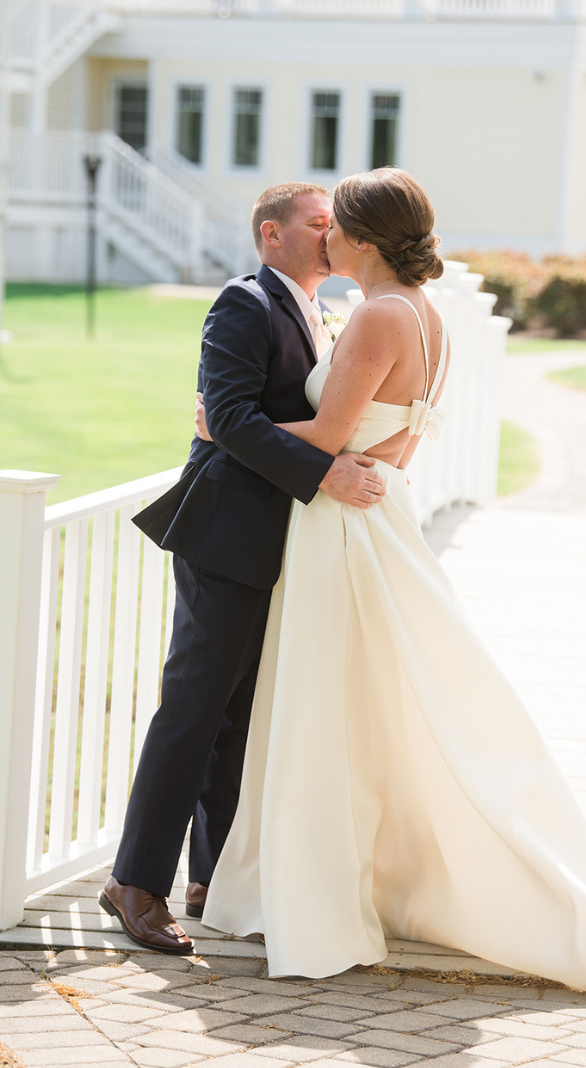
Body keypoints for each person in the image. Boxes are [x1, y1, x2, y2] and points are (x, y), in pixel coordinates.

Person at [191, 168, 586, 1003]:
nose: (323, 240)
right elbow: (403, 441)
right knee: (377, 705)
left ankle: (320, 896)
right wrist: (366, 468)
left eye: (334, 229)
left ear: (358, 239)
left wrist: (222, 426)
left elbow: (322, 432)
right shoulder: (431, 318)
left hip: (340, 528)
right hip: (379, 509)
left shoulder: (379, 316)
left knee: (329, 707)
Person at [107, 183, 387, 954]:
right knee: (194, 708)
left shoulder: (318, 309)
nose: (333, 236)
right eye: (318, 225)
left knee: (242, 715)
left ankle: (215, 876)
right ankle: (134, 883)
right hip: (227, 530)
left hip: (279, 539)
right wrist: (325, 473)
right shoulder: (244, 303)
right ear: (272, 235)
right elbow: (225, 417)